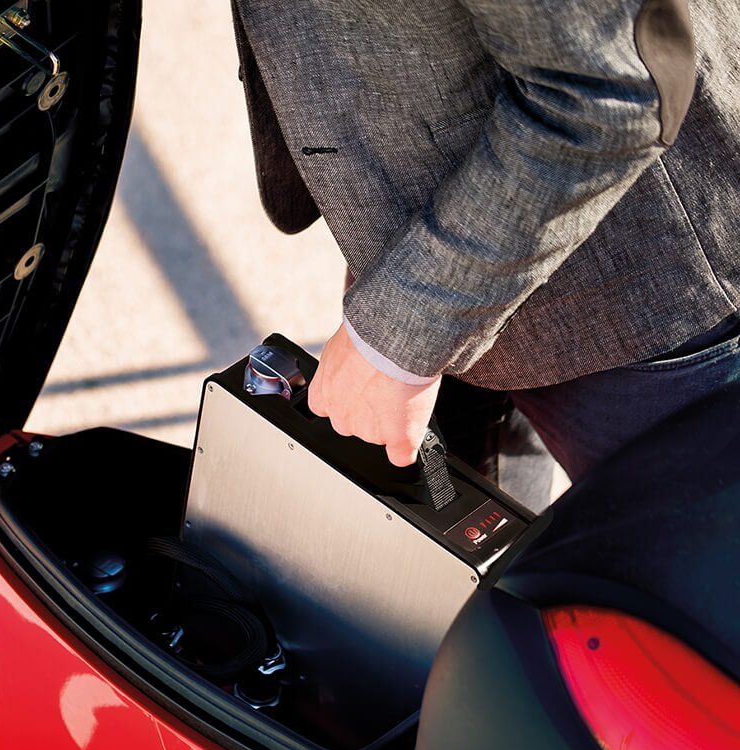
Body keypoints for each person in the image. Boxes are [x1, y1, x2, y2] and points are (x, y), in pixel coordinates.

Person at [230, 0, 739, 496]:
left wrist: (396, 336)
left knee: (692, 570)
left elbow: (606, 92)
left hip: (642, 279)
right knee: (497, 554)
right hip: (452, 232)